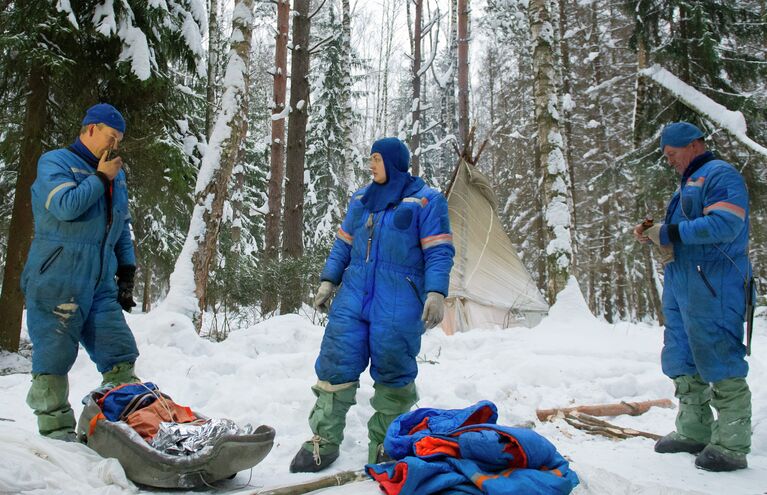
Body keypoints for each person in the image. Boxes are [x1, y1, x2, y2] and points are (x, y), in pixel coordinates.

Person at [289, 137, 455, 472]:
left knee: (394, 372)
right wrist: (328, 279)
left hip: (399, 300)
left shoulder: (427, 200)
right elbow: (342, 245)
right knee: (335, 362)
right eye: (370, 159)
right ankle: (324, 439)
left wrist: (436, 292)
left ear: (393, 161)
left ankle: (385, 444)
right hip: (354, 294)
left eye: (376, 159)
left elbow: (439, 252)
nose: (370, 165)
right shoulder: (362, 199)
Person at [633, 122, 752, 471]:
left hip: (715, 282)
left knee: (718, 352)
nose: (669, 161)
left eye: (672, 154)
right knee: (681, 354)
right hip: (684, 281)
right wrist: (655, 235)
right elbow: (682, 230)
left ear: (693, 145)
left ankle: (731, 444)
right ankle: (693, 430)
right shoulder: (688, 182)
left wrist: (669, 232)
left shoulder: (721, 176)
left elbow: (725, 225)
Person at [21, 103, 140, 441]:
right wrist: (101, 177)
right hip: (58, 276)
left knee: (120, 353)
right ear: (90, 129)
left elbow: (121, 223)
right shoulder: (55, 162)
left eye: (119, 140)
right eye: (110, 136)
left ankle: (116, 427)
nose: (114, 145)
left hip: (99, 280)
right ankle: (55, 430)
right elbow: (66, 206)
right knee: (54, 358)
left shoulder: (115, 173)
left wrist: (127, 269)